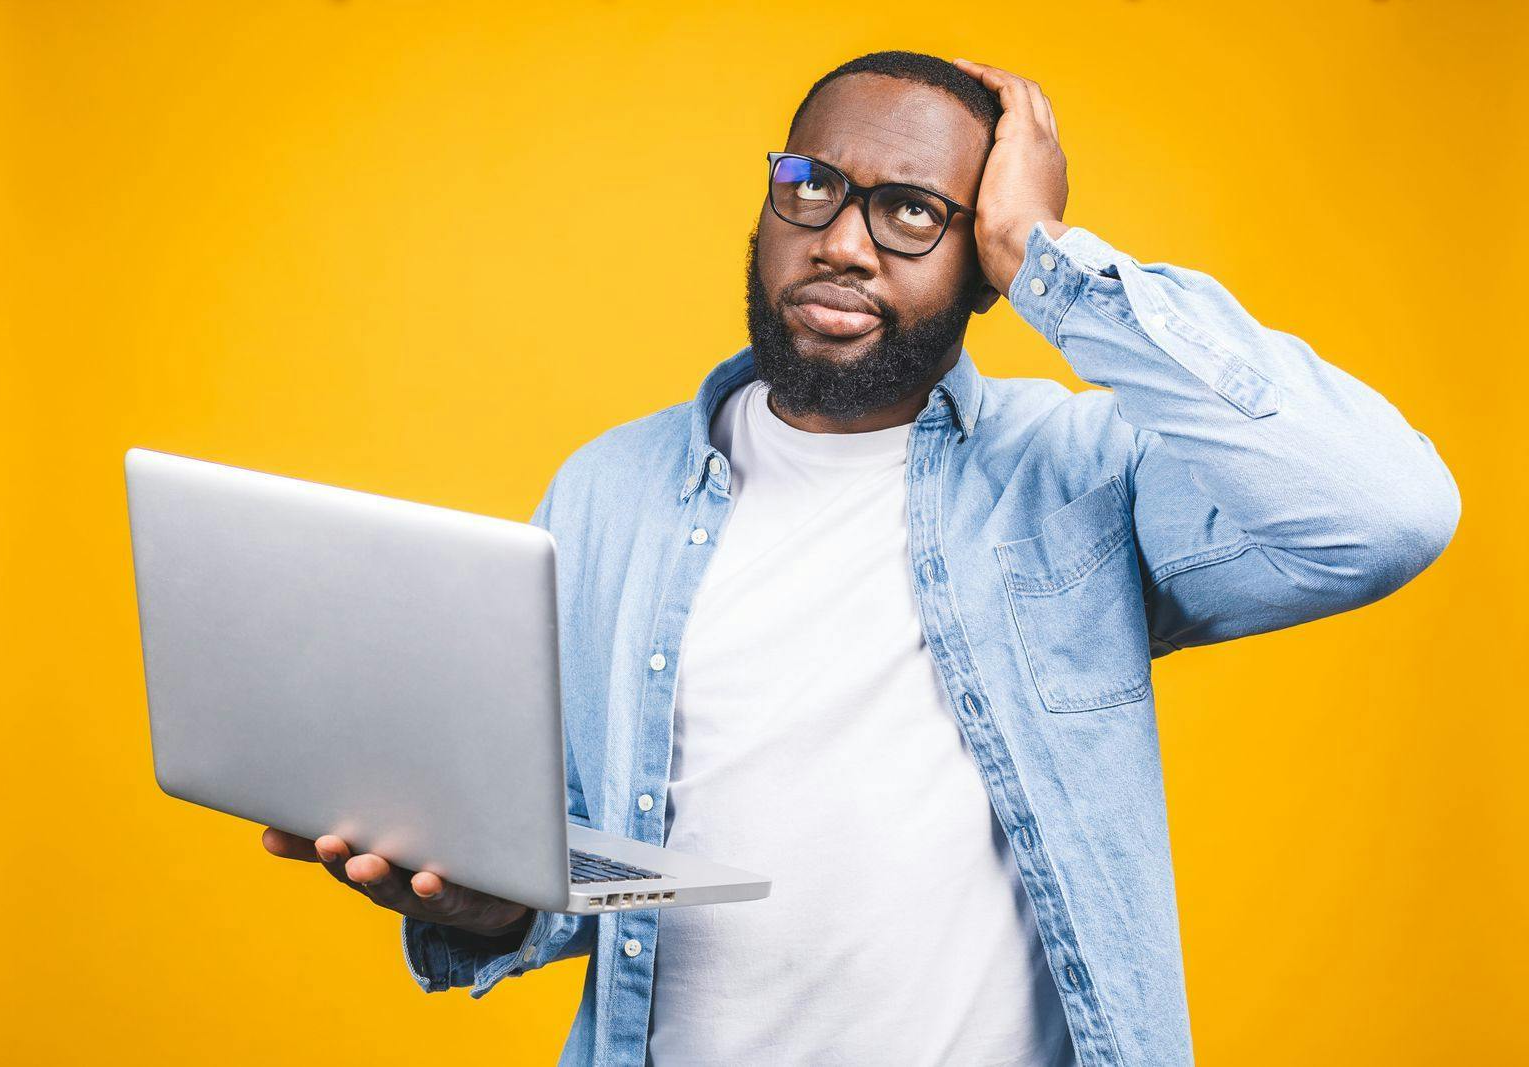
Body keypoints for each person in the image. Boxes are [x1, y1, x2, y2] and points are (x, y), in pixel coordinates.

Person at [260, 50, 1460, 1066]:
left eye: (910, 211)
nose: (841, 241)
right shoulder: (607, 488)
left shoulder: (1083, 474)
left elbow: (1379, 510)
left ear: (979, 260)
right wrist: (491, 904)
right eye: (813, 186)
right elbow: (594, 852)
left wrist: (1049, 255)